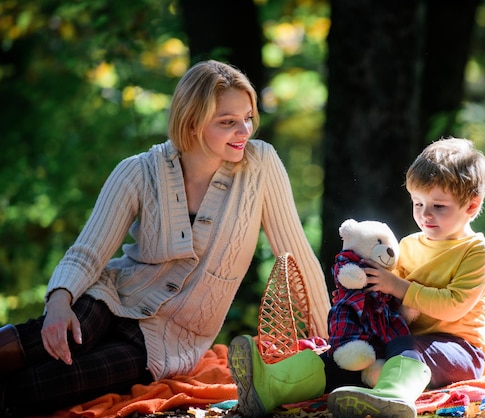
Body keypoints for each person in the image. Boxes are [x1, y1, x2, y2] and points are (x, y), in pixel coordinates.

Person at [0, 60, 331, 416]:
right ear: (192, 121)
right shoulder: (138, 171)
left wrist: (332, 341)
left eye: (248, 117)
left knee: (40, 387)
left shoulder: (260, 165)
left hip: (167, 342)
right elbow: (87, 253)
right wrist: (60, 301)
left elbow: (295, 253)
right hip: (112, 297)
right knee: (42, 342)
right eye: (228, 122)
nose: (244, 130)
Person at [228, 137, 485, 418]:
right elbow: (389, 302)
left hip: (459, 351)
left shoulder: (476, 251)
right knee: (346, 355)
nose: (425, 214)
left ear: (471, 207)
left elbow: (455, 305)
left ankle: (392, 398)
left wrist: (397, 286)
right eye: (418, 203)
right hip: (399, 343)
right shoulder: (409, 245)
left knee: (404, 347)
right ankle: (270, 385)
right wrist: (362, 299)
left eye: (438, 206)